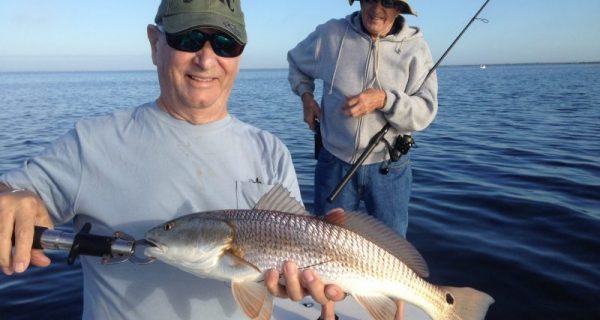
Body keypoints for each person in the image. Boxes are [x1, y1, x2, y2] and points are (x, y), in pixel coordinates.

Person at [0, 0, 344, 318]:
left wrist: (314, 293)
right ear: (155, 43)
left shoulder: (270, 150)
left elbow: (296, 262)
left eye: (226, 44)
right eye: (188, 38)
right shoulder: (90, 143)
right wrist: (13, 200)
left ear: (240, 55)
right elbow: (17, 196)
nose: (206, 60)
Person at [288, 0, 438, 319]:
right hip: (334, 158)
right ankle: (327, 314)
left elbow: (425, 111)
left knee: (393, 246)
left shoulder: (416, 48)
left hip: (388, 165)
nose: (377, 9)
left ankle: (397, 314)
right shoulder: (330, 35)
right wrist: (306, 97)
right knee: (323, 241)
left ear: (401, 9)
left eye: (389, 3)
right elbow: (296, 62)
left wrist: (384, 99)